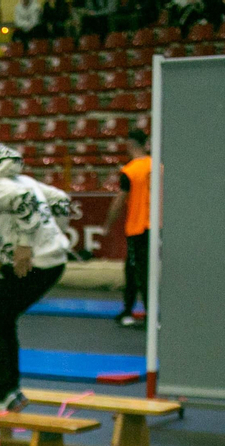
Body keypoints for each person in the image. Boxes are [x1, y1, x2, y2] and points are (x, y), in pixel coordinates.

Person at [0, 137, 73, 412]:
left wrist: (25, 245)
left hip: (31, 263)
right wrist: (54, 234)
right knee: (2, 320)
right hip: (53, 260)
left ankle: (7, 393)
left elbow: (24, 201)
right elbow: (60, 199)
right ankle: (11, 392)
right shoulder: (19, 176)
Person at [105, 127, 151, 326]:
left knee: (135, 271)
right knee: (144, 269)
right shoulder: (157, 166)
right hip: (155, 225)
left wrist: (108, 223)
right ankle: (137, 310)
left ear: (131, 145)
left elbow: (119, 201)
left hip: (138, 227)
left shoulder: (130, 171)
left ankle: (130, 311)